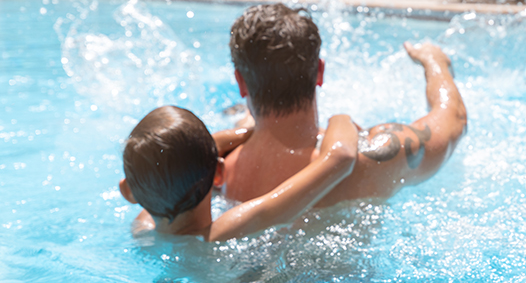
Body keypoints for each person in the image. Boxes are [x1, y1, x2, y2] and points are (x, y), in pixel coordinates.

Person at [221, 3, 467, 207]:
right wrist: (435, 62)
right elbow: (452, 118)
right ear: (320, 71)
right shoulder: (372, 158)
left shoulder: (216, 171)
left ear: (240, 82)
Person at [119, 105, 358, 242]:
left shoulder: (142, 230)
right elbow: (340, 158)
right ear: (219, 174)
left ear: (127, 191)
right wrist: (341, 118)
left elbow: (161, 171)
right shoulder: (223, 233)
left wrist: (235, 135)